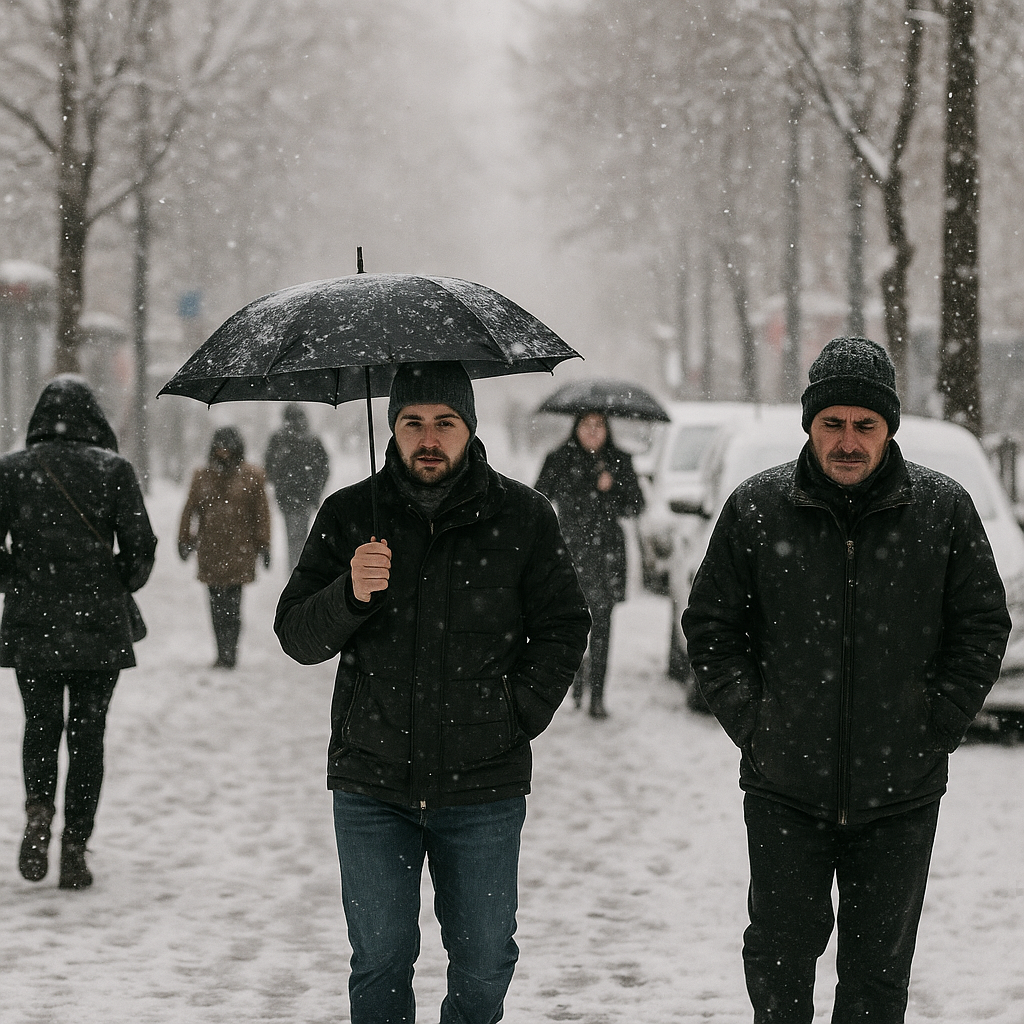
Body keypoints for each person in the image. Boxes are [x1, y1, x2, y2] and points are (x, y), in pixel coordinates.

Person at [681, 336, 1011, 1024]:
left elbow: (982, 627)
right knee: (777, 966)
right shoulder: (757, 508)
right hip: (784, 790)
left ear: (890, 427)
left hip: (901, 794)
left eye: (865, 424)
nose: (848, 441)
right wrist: (757, 723)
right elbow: (711, 627)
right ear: (810, 425)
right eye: (832, 423)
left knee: (877, 983)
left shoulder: (943, 513)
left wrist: (935, 723)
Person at [275, 361, 590, 1024]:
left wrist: (514, 714)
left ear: (469, 429)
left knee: (483, 966)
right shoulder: (349, 514)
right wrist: (350, 593)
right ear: (392, 428)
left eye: (444, 422)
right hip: (371, 782)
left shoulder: (523, 518)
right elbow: (297, 634)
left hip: (483, 785)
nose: (428, 437)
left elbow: (564, 626)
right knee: (381, 960)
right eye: (413, 421)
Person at [0, 375, 157, 889]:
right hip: (97, 627)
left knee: (41, 725)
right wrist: (114, 582)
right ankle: (74, 847)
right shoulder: (112, 470)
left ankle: (39, 813)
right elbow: (140, 546)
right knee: (89, 737)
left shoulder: (12, 471)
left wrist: (19, 579)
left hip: (33, 625)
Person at [535, 409, 645, 718]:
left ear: (607, 429)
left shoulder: (619, 459)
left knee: (602, 623)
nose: (593, 431)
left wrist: (615, 486)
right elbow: (539, 497)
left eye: (599, 425)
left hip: (607, 552)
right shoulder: (559, 457)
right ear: (576, 427)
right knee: (574, 623)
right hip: (570, 551)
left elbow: (637, 506)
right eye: (586, 424)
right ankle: (577, 675)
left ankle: (597, 696)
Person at [178, 425, 271, 669]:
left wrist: (264, 545)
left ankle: (230, 653)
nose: (224, 452)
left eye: (228, 447)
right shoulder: (202, 476)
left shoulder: (252, 476)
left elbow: (261, 513)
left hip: (240, 551)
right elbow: (190, 510)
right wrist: (184, 540)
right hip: (211, 550)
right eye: (220, 446)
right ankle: (221, 651)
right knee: (216, 606)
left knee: (233, 605)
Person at [264, 404, 330, 572]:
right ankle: (300, 574)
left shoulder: (279, 439)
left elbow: (269, 468)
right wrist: (315, 492)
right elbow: (324, 469)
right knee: (301, 537)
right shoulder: (311, 440)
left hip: (289, 497)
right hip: (303, 497)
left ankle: (296, 574)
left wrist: (279, 482)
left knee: (294, 538)